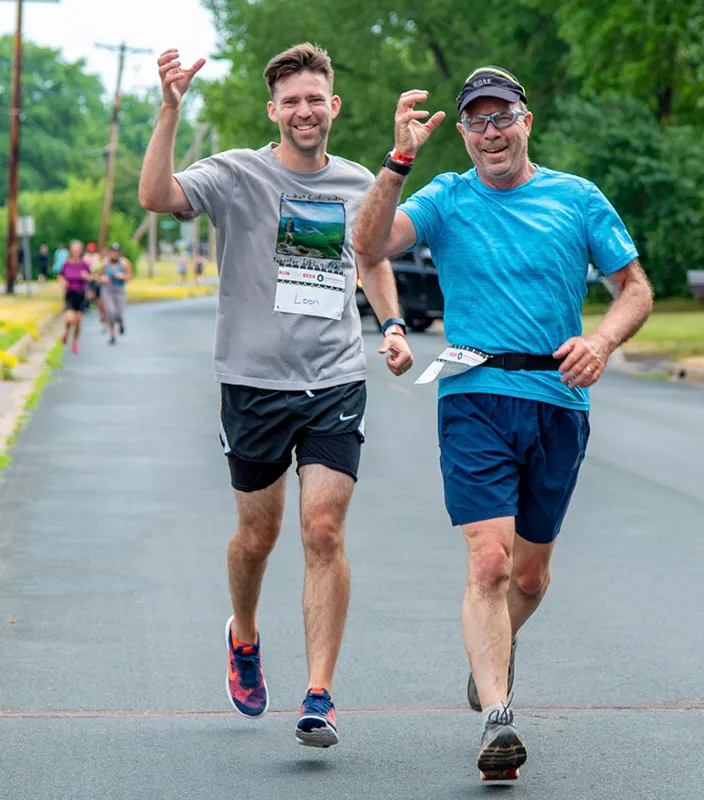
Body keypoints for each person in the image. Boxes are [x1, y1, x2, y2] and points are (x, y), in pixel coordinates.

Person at [354, 66, 654, 782]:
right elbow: (368, 245)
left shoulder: (576, 198)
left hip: (558, 398)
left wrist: (602, 341)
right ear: (462, 133)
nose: (491, 132)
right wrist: (397, 163)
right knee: (487, 562)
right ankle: (497, 719)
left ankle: (485, 652)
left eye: (502, 117)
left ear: (527, 121)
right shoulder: (447, 197)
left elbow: (635, 288)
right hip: (473, 391)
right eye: (477, 121)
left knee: (531, 573)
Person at [139, 43, 413, 748]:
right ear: (274, 110)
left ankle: (318, 693)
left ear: (334, 106)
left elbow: (371, 255)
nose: (303, 110)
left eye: (314, 98)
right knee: (257, 537)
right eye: (290, 101)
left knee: (322, 529)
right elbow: (156, 197)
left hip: (333, 380)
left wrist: (392, 325)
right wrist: (171, 109)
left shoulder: (358, 183)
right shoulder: (234, 174)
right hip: (252, 383)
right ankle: (245, 632)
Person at [58, 240, 93, 354]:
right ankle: (66, 332)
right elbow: (60, 275)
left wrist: (86, 277)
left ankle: (75, 341)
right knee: (69, 318)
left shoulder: (84, 264)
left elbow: (91, 277)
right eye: (74, 250)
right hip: (70, 293)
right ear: (71, 251)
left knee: (77, 321)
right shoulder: (67, 263)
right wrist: (63, 282)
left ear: (81, 251)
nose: (76, 252)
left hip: (81, 294)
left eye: (78, 250)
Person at [101, 243, 132, 344]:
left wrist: (122, 276)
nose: (114, 254)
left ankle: (121, 321)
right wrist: (103, 279)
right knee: (110, 312)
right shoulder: (105, 263)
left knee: (118, 312)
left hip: (119, 289)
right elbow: (98, 276)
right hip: (107, 289)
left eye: (116, 252)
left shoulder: (124, 263)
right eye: (112, 252)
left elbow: (129, 276)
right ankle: (112, 335)